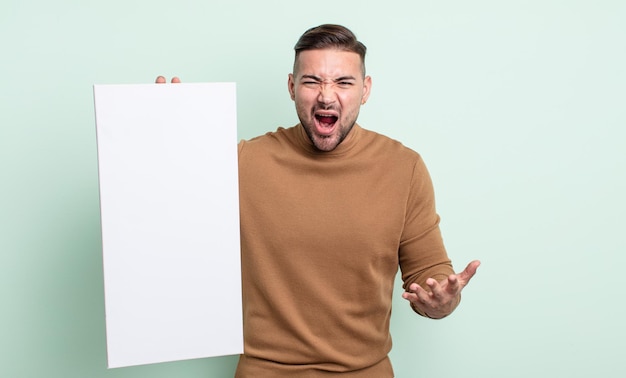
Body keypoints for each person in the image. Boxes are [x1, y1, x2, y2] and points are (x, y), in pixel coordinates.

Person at [157, 24, 480, 377]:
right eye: (312, 81)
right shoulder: (242, 163)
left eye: (343, 82)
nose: (327, 96)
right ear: (292, 87)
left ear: (365, 89)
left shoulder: (404, 168)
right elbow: (168, 215)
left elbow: (429, 276)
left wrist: (441, 301)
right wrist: (168, 129)